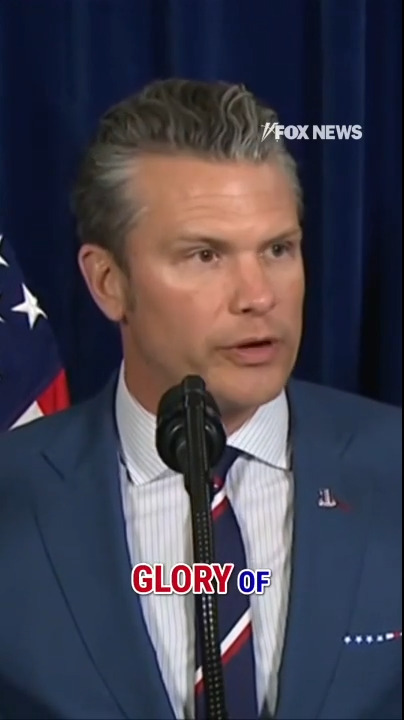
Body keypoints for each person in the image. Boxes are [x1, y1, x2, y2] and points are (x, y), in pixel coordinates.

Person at [0, 78, 401, 720]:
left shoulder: (393, 464)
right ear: (108, 282)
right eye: (206, 255)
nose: (258, 296)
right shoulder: (13, 495)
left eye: (278, 249)